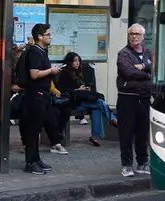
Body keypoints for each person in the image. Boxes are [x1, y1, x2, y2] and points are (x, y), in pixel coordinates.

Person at [22, 24, 60, 175]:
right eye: (48, 34)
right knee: (32, 130)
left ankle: (36, 159)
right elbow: (34, 74)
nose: (50, 37)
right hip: (35, 96)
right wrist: (51, 70)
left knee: (37, 128)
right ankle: (30, 162)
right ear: (40, 36)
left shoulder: (42, 51)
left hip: (43, 96)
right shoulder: (34, 52)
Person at [57, 52, 116, 147]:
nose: (77, 63)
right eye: (74, 61)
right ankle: (112, 119)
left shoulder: (79, 72)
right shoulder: (64, 72)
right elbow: (64, 90)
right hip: (72, 101)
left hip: (81, 100)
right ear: (69, 62)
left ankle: (95, 137)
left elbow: (81, 87)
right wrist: (78, 90)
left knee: (97, 107)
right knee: (99, 102)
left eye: (78, 61)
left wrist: (84, 89)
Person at [117, 24, 153, 177]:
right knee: (126, 132)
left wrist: (143, 66)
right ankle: (126, 165)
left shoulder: (148, 53)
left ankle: (142, 162)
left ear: (143, 36)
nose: (134, 37)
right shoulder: (123, 53)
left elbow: (154, 68)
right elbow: (128, 72)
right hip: (127, 99)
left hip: (144, 99)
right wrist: (146, 73)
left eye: (138, 34)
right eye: (132, 34)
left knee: (142, 132)